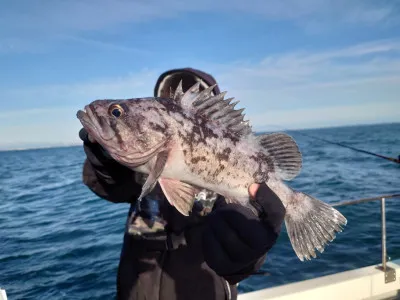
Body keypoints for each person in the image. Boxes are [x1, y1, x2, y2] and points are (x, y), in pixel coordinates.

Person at [79, 68, 286, 300]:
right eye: (169, 98)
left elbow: (240, 227)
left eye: (116, 112)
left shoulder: (214, 163)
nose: (182, 103)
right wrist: (104, 161)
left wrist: (247, 255)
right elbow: (110, 187)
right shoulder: (136, 171)